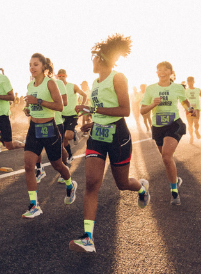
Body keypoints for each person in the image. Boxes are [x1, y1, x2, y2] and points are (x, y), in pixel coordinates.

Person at [69, 35, 149, 253]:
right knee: (92, 183)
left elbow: (125, 110)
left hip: (118, 136)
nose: (92, 61)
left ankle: (141, 187)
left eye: (94, 57)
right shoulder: (95, 83)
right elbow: (102, 110)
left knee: (122, 184)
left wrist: (93, 111)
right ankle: (88, 237)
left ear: (102, 58)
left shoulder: (118, 77)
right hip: (97, 137)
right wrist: (92, 122)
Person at [21, 54, 77, 218]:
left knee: (58, 165)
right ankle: (34, 205)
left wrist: (38, 101)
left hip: (49, 128)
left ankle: (70, 184)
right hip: (34, 128)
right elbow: (29, 102)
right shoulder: (30, 85)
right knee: (28, 166)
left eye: (36, 64)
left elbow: (60, 106)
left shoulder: (50, 83)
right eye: (30, 64)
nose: (32, 67)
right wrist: (27, 109)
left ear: (44, 67)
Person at [140, 62, 190, 205]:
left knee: (167, 156)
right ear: (156, 73)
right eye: (159, 70)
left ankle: (174, 193)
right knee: (166, 159)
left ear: (171, 72)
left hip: (173, 124)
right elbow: (142, 110)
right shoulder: (150, 89)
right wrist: (152, 105)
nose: (162, 72)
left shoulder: (178, 88)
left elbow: (185, 102)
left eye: (165, 70)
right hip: (158, 127)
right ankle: (175, 180)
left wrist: (190, 108)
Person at [57, 68, 87, 167]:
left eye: (63, 75)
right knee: (63, 140)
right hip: (61, 115)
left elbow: (84, 95)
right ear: (57, 76)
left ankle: (73, 133)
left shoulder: (73, 86)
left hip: (72, 115)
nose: (61, 77)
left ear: (66, 76)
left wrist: (81, 106)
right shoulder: (56, 87)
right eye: (59, 76)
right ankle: (70, 155)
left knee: (68, 136)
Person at [185, 76, 201, 144]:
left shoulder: (197, 89)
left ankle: (196, 131)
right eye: (189, 81)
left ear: (193, 82)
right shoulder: (186, 91)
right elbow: (183, 99)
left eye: (191, 81)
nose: (190, 83)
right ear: (187, 82)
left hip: (196, 109)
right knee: (190, 124)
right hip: (188, 109)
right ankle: (191, 136)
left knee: (196, 122)